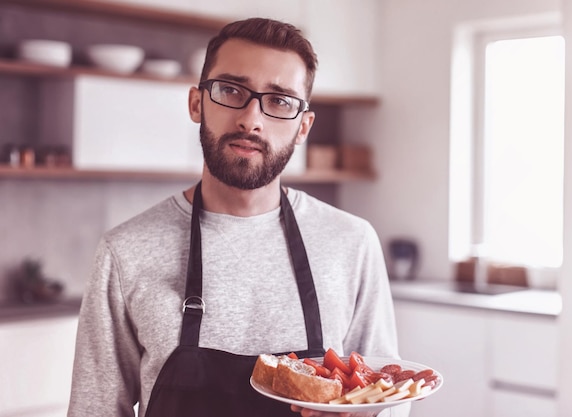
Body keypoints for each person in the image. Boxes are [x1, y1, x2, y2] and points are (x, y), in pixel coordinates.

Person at [68, 17, 408, 417]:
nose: (251, 119)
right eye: (231, 90)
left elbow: (387, 399)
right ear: (197, 103)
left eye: (280, 101)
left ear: (303, 127)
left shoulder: (351, 243)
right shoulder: (126, 251)